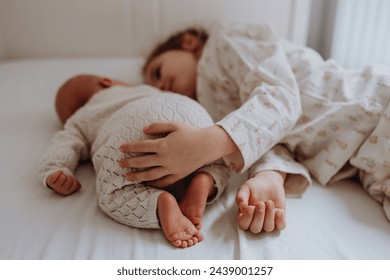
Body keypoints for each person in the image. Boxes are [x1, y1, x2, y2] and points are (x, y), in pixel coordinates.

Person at [118, 22, 390, 229]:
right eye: (156, 89)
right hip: (365, 166)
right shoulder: (213, 114)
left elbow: (280, 97)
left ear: (188, 42)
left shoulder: (224, 44)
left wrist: (206, 144)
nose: (162, 86)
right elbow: (272, 135)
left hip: (373, 105)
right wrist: (270, 175)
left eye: (158, 72)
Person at [38, 74, 229, 248]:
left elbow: (64, 142)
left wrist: (55, 168)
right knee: (219, 161)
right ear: (106, 81)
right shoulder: (149, 89)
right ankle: (204, 179)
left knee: (111, 194)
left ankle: (159, 203)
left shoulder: (79, 119)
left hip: (131, 132)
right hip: (189, 114)